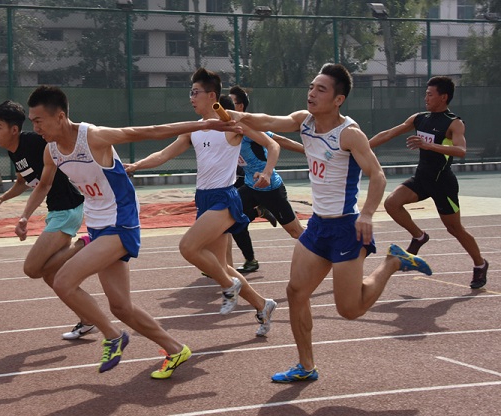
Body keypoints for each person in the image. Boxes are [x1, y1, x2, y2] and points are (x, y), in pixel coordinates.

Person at [16, 85, 241, 379]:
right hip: (97, 224)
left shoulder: (93, 137)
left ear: (59, 117)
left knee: (63, 280)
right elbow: (44, 185)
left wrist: (209, 123)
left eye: (38, 121)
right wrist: (24, 215)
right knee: (121, 306)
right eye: (32, 122)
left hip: (122, 221)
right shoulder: (52, 151)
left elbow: (150, 130)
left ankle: (112, 337)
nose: (35, 128)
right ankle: (175, 349)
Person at [227, 63, 433, 382]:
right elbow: (270, 121)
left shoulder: (349, 134)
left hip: (347, 228)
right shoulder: (304, 122)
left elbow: (377, 175)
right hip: (318, 226)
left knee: (349, 310)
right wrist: (238, 117)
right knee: (296, 292)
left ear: (339, 99)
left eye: (321, 89)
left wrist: (366, 214)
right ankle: (306, 366)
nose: (312, 93)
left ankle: (393, 262)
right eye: (311, 87)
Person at [126, 68, 280, 337]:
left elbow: (272, 144)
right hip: (204, 199)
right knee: (222, 266)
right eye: (190, 92)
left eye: (195, 92)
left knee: (188, 247)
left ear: (212, 95)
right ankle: (262, 304)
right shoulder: (196, 129)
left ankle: (228, 287)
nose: (191, 98)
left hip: (225, 197)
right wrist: (137, 165)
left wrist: (266, 172)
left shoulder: (232, 123)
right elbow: (164, 154)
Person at [0, 100, 97, 341]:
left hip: (68, 209)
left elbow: (46, 181)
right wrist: (1, 199)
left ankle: (84, 244)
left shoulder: (35, 142)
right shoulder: (13, 150)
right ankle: (88, 320)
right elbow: (22, 182)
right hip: (57, 211)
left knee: (32, 268)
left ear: (13, 130)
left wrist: (24, 217)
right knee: (52, 276)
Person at [369, 76, 489, 289]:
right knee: (391, 204)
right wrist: (361, 147)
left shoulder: (454, 123)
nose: (426, 97)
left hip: (443, 183)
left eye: (430, 94)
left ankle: (480, 264)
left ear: (443, 97)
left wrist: (429, 145)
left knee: (455, 229)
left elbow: (461, 151)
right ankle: (419, 235)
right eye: (426, 94)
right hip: (422, 179)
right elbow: (389, 133)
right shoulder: (419, 118)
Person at [227, 86, 305, 274]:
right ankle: (227, 268)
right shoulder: (226, 128)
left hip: (270, 188)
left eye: (232, 103)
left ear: (241, 107)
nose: (226, 107)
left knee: (297, 232)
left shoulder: (251, 127)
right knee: (228, 214)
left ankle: (328, 252)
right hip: (249, 185)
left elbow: (277, 142)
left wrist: (309, 152)